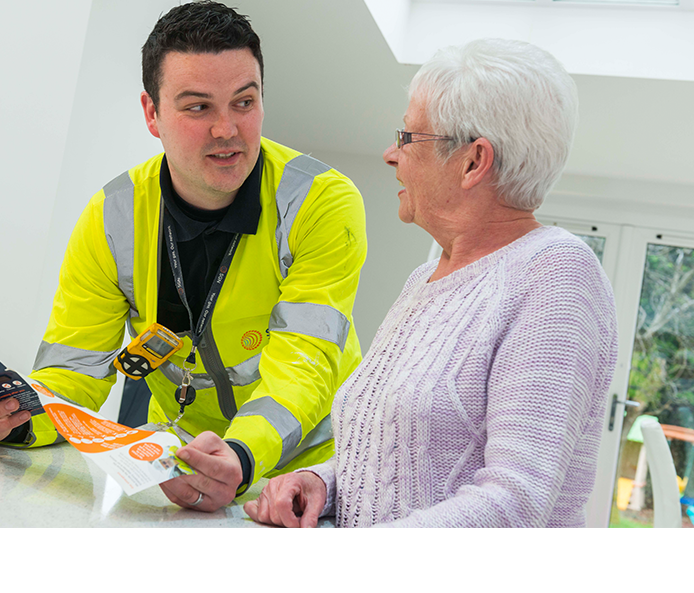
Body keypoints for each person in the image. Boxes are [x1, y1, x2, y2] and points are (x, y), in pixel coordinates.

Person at [0, 1, 367, 512]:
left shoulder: (321, 201)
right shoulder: (111, 216)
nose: (227, 129)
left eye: (244, 102)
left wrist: (241, 455)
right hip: (188, 472)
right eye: (197, 107)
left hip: (320, 473)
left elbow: (304, 363)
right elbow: (72, 375)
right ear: (152, 113)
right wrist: (12, 420)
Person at [245, 38, 618, 528]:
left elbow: (514, 502)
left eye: (408, 137)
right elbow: (395, 461)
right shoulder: (426, 277)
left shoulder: (557, 276)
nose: (390, 154)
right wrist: (322, 483)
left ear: (472, 162)